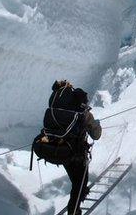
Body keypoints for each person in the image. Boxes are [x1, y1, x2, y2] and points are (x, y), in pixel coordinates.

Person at [50, 80, 102, 215]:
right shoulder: (83, 114)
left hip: (61, 149)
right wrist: (96, 124)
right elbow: (96, 135)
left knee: (76, 181)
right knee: (80, 183)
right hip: (77, 153)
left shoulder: (57, 110)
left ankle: (76, 206)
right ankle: (74, 210)